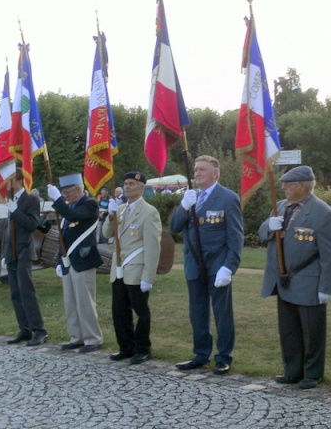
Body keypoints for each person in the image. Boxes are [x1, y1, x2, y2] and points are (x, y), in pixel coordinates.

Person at [258, 165, 331, 390]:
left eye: (289, 184)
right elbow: (262, 234)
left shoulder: (322, 212)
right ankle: (292, 370)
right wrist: (268, 226)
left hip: (308, 280)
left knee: (311, 331)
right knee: (289, 329)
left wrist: (327, 287)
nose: (284, 187)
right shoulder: (281, 206)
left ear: (304, 186)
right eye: (283, 183)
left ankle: (312, 373)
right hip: (283, 279)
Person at [170, 155, 244, 375]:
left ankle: (223, 357)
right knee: (198, 312)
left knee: (222, 313)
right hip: (194, 264)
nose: (197, 173)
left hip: (217, 264)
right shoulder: (191, 197)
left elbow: (236, 236)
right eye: (195, 169)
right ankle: (201, 354)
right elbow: (174, 227)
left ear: (215, 173)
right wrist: (184, 206)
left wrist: (229, 266)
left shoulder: (227, 198)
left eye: (202, 169)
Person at [102, 171, 162, 364]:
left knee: (141, 311)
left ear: (142, 187)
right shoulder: (120, 209)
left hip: (136, 268)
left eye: (132, 184)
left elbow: (153, 246)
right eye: (126, 183)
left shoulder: (149, 211)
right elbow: (106, 233)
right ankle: (126, 347)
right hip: (119, 268)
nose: (128, 187)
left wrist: (148, 276)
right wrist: (111, 216)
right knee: (119, 311)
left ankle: (143, 348)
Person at [47, 173, 104, 354]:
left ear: (79, 190)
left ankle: (93, 338)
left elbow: (73, 217)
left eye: (67, 192)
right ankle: (76, 336)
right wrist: (58, 260)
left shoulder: (89, 204)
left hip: (83, 259)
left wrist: (58, 200)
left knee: (85, 301)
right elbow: (64, 237)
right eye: (62, 193)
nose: (65, 196)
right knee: (70, 301)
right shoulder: (69, 207)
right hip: (68, 260)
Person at [3, 169, 48, 347]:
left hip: (24, 249)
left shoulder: (31, 199)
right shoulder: (11, 200)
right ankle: (25, 328)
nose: (7, 183)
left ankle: (39, 330)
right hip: (11, 251)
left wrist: (15, 212)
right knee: (15, 293)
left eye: (11, 180)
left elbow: (32, 224)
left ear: (20, 181)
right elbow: (8, 229)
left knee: (26, 291)